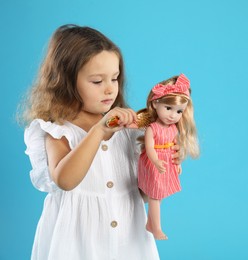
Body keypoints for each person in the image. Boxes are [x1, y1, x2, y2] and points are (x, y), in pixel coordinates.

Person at [21, 24, 179, 260]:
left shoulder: (128, 129)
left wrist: (163, 166)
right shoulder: (58, 130)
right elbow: (65, 180)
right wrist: (98, 131)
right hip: (77, 242)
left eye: (114, 79)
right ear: (66, 81)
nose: (109, 89)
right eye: (97, 81)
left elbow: (140, 194)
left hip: (129, 239)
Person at [137, 74, 200, 240]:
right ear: (156, 103)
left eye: (179, 111)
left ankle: (151, 223)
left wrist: (178, 163)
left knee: (160, 194)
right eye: (168, 108)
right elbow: (149, 147)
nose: (173, 115)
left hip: (167, 162)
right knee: (155, 196)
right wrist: (156, 161)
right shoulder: (152, 128)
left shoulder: (173, 128)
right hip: (154, 162)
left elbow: (173, 145)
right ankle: (155, 226)